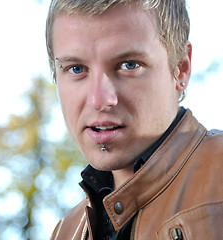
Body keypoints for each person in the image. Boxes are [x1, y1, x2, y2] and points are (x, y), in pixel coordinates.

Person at [45, 0, 223, 239]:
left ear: (181, 67)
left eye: (129, 65)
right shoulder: (66, 231)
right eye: (76, 69)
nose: (99, 99)